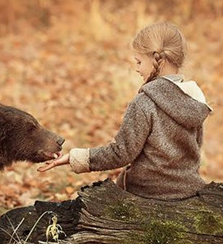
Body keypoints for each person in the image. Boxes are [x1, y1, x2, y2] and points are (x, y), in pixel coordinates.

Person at [38, 22, 212, 200]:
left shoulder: (145, 102)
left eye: (139, 62)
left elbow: (121, 153)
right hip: (188, 190)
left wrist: (75, 157)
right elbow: (194, 151)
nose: (137, 68)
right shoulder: (194, 100)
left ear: (157, 59)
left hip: (144, 191)